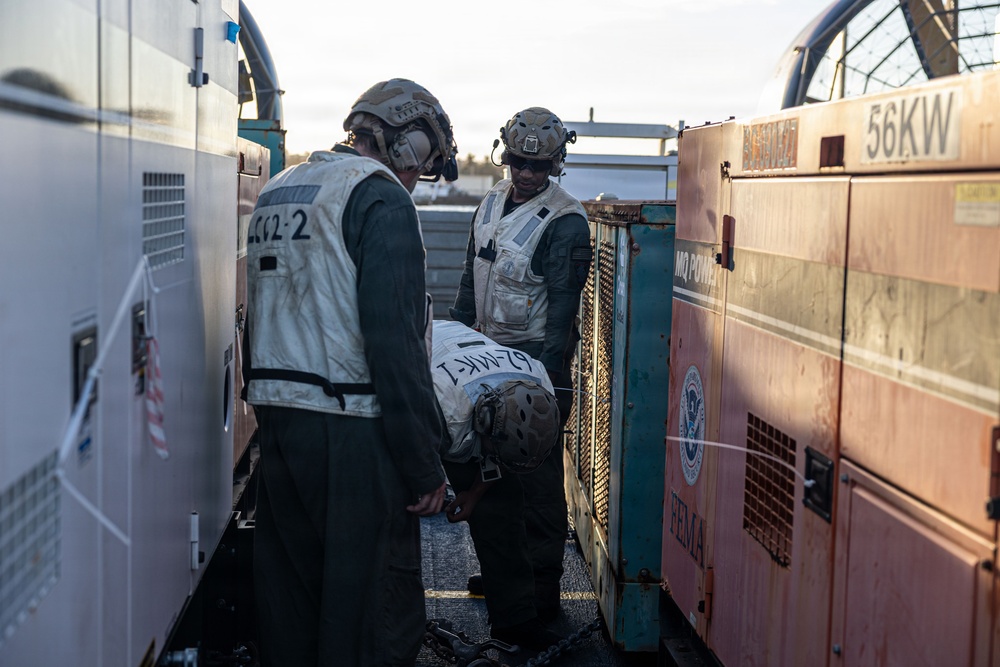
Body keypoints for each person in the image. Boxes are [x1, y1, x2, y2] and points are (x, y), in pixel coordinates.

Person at [242, 78, 459, 667]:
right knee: (370, 614)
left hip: (279, 426)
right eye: (424, 163)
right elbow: (395, 344)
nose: (417, 178)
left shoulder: (280, 190)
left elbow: (257, 315)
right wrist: (423, 467)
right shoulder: (380, 196)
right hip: (353, 433)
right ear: (408, 144)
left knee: (291, 603)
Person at [449, 107, 592, 622]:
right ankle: (507, 573)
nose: (528, 174)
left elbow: (562, 313)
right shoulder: (489, 202)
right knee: (492, 476)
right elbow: (470, 281)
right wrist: (458, 343)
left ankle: (542, 588)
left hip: (534, 367)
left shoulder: (566, 221)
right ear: (504, 157)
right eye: (518, 163)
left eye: (540, 166)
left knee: (536, 484)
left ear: (557, 164)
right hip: (488, 360)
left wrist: (551, 384)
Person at [430, 319, 564, 651]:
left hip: (473, 386)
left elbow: (500, 458)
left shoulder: (540, 381)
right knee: (395, 508)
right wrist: (427, 484)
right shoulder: (441, 409)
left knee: (502, 504)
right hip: (424, 374)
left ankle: (515, 621)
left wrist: (475, 492)